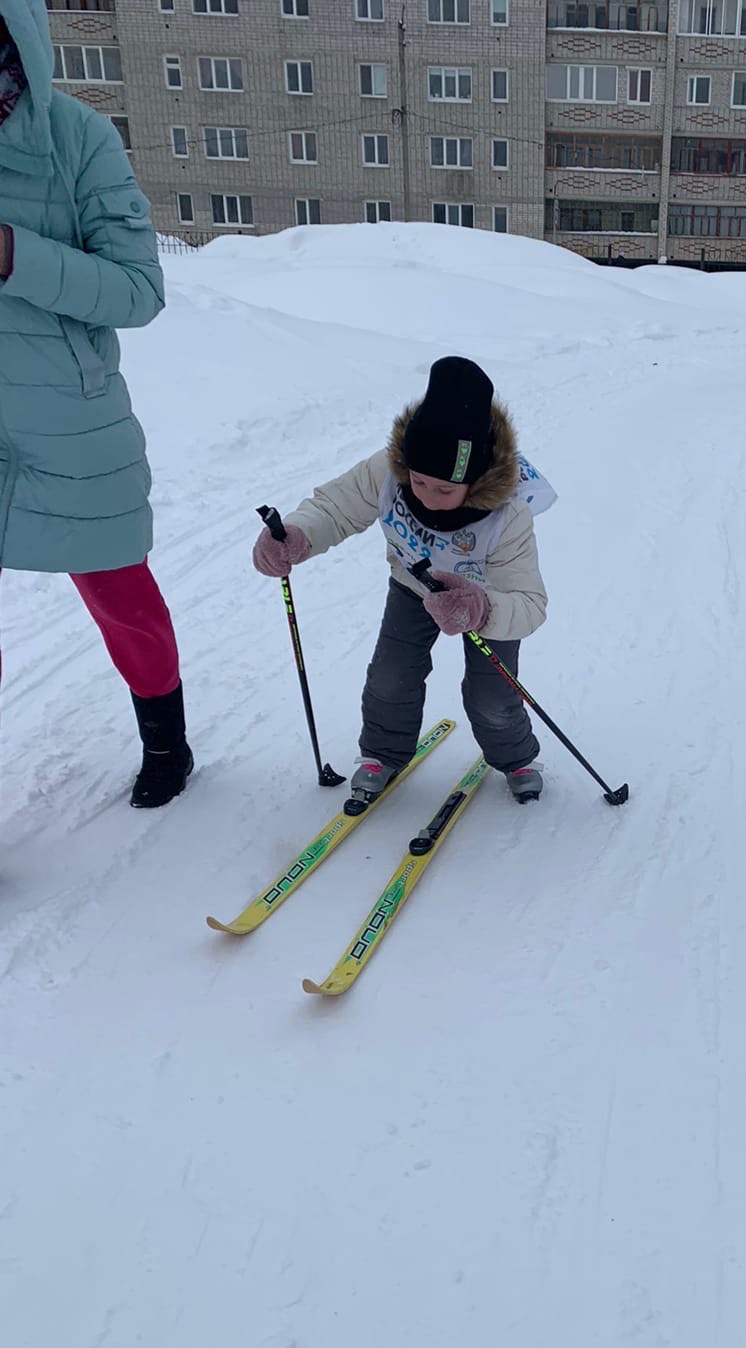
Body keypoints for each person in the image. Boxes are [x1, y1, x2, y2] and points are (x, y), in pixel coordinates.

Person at [0, 0, 192, 809]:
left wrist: (17, 255)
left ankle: (166, 744)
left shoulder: (76, 138)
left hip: (69, 423)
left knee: (124, 603)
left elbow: (140, 291)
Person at [252, 356, 555, 809]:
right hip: (412, 588)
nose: (427, 496)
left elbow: (529, 603)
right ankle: (382, 753)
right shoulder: (388, 472)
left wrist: (482, 609)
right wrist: (296, 537)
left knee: (491, 695)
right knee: (391, 676)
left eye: (444, 489)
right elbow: (335, 507)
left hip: (483, 602)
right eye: (419, 481)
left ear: (473, 482)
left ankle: (515, 758)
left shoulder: (507, 515)